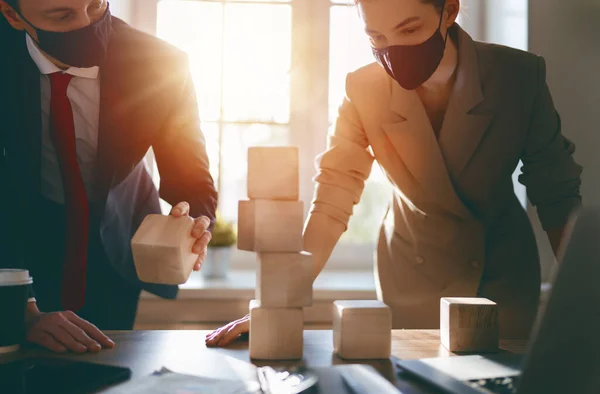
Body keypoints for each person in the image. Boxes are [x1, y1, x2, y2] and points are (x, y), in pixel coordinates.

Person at [206, 0, 583, 347]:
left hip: (501, 279)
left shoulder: (518, 75)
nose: (394, 50)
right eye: (377, 37)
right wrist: (275, 307)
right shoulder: (362, 88)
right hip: (411, 278)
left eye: (409, 30)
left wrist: (586, 300)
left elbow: (556, 192)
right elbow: (334, 196)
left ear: (448, 11)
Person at [0, 0, 217, 353]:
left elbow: (190, 175)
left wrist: (194, 225)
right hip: (15, 243)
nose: (87, 23)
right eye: (62, 14)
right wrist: (17, 305)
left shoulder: (160, 64)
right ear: (12, 16)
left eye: (96, 5)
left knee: (106, 372)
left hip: (113, 249)